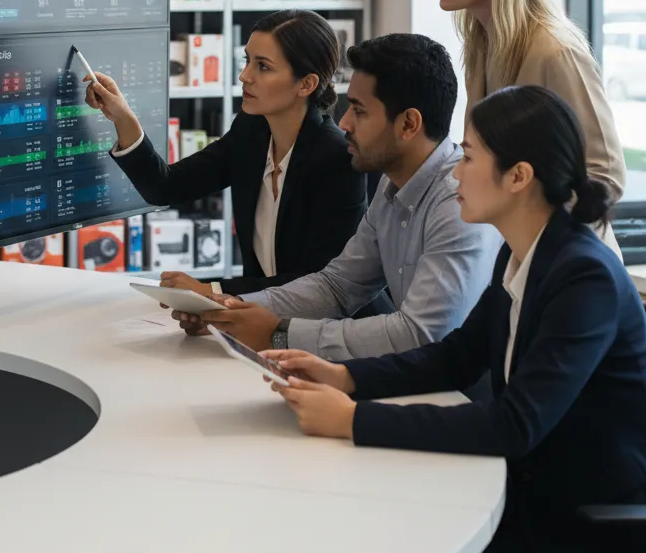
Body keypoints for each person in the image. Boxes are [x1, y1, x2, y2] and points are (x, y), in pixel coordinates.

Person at [264, 85, 646, 553]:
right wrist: (346, 378)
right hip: (528, 498)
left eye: (468, 157)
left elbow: (516, 425)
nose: (454, 173)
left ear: (518, 176)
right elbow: (454, 358)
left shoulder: (584, 278)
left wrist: (354, 421)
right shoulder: (520, 254)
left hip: (586, 536)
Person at [174, 33, 501, 358]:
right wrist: (231, 311)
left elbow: (422, 334)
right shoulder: (392, 187)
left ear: (408, 124)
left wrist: (279, 334)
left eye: (358, 111)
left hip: (465, 397)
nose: (343, 123)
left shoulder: (457, 202)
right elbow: (337, 286)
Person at [85, 9, 371, 294]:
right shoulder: (252, 132)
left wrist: (213, 294)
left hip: (335, 329)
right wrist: (123, 117)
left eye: (263, 66)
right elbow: (166, 187)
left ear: (306, 84)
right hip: (267, 320)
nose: (244, 75)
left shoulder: (335, 159)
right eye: (248, 60)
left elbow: (319, 285)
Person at [429, 0, 625, 251]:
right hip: (518, 256)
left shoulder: (555, 51)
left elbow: (605, 175)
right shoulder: (481, 44)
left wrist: (528, 221)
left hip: (570, 264)